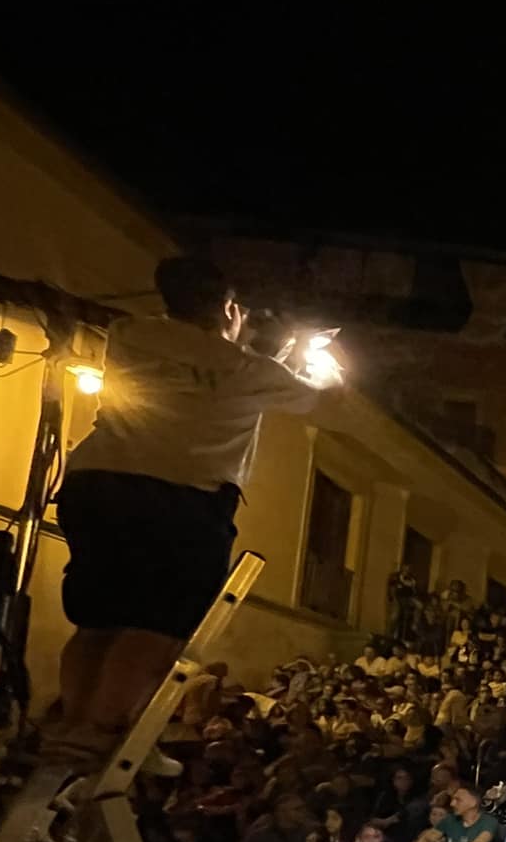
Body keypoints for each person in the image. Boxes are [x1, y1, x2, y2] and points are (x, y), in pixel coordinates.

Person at [45, 256, 329, 767]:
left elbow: (203, 363)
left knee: (99, 617)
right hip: (180, 499)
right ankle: (104, 730)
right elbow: (318, 393)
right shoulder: (248, 369)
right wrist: (291, 353)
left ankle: (73, 723)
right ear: (228, 307)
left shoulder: (130, 333)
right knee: (157, 622)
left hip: (97, 484)